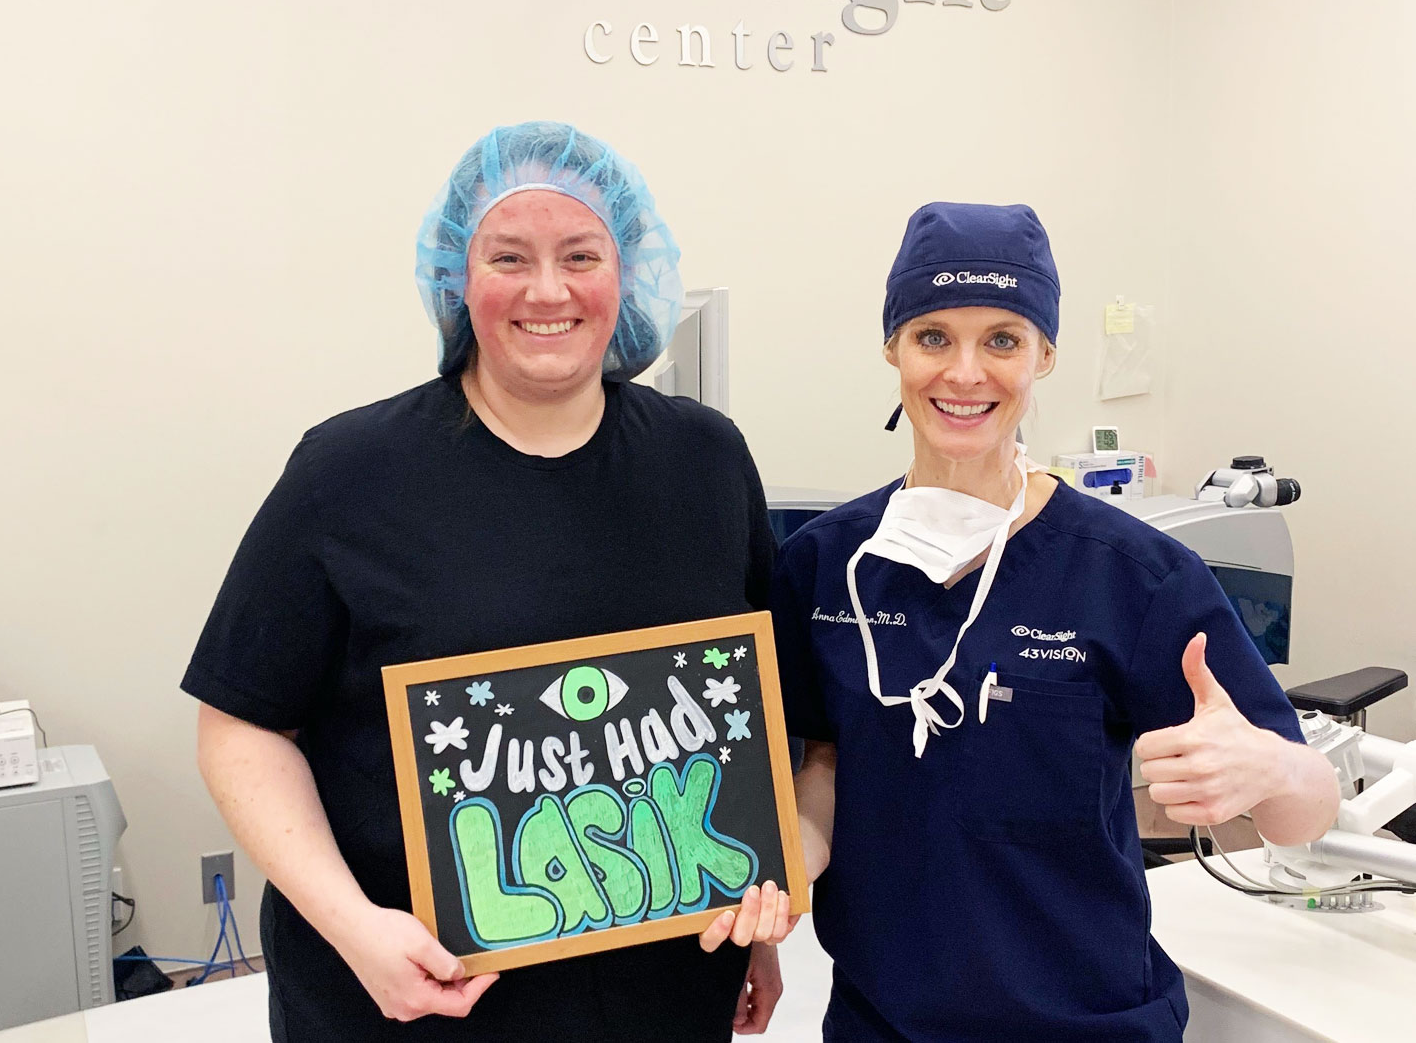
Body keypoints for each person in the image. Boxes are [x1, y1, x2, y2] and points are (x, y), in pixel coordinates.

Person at [182, 121, 789, 1041]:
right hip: (414, 1001)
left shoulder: (705, 460)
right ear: (457, 278)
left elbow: (754, 725)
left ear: (625, 270)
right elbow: (241, 726)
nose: (548, 290)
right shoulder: (347, 474)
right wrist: (356, 930)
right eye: (510, 255)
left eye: (580, 254)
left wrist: (755, 909)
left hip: (659, 998)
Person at [771, 202, 1340, 1042]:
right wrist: (784, 868)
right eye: (933, 337)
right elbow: (822, 762)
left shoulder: (1135, 576)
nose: (965, 373)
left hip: (1087, 1024)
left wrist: (1272, 772)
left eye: (1002, 339)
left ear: (1045, 353)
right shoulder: (824, 567)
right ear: (891, 347)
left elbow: (1309, 813)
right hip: (881, 1022)